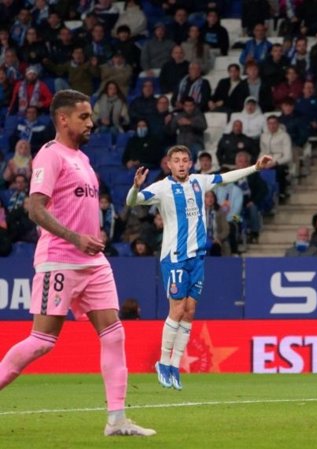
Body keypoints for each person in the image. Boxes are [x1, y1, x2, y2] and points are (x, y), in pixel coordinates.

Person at [0, 90, 155, 436]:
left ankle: (116, 420)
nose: (91, 122)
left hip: (93, 261)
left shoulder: (83, 160)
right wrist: (75, 238)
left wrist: (92, 239)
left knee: (114, 334)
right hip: (59, 261)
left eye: (90, 116)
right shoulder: (50, 156)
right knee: (42, 340)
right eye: (83, 117)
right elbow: (35, 208)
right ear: (62, 119)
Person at [126, 146, 273, 390]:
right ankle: (162, 362)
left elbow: (226, 177)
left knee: (190, 310)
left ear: (190, 163)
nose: (182, 164)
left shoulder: (199, 182)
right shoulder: (162, 188)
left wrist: (255, 167)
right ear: (169, 165)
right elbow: (132, 202)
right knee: (178, 308)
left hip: (197, 258)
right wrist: (135, 186)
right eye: (177, 161)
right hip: (175, 257)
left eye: (185, 160)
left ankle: (174, 365)